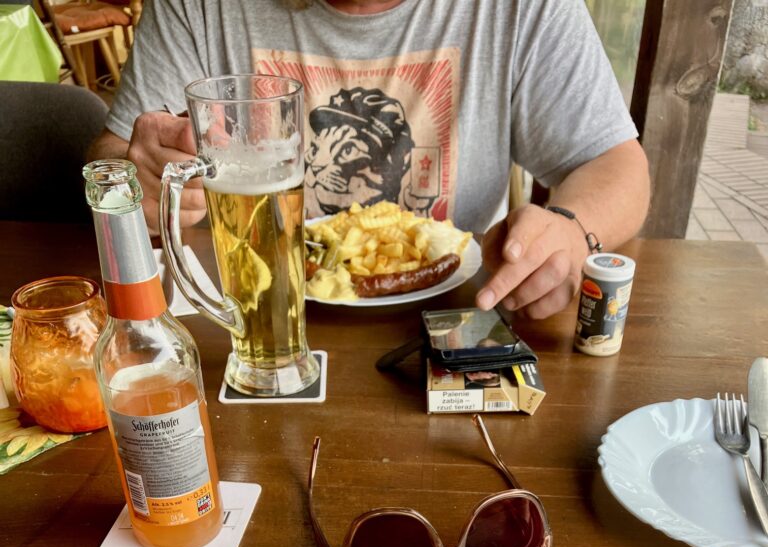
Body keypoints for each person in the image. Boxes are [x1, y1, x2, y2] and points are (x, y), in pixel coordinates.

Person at [90, 0, 650, 319]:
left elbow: (617, 165)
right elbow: (114, 156)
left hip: (453, 320)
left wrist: (574, 231)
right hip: (248, 321)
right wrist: (132, 176)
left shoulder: (524, 8)